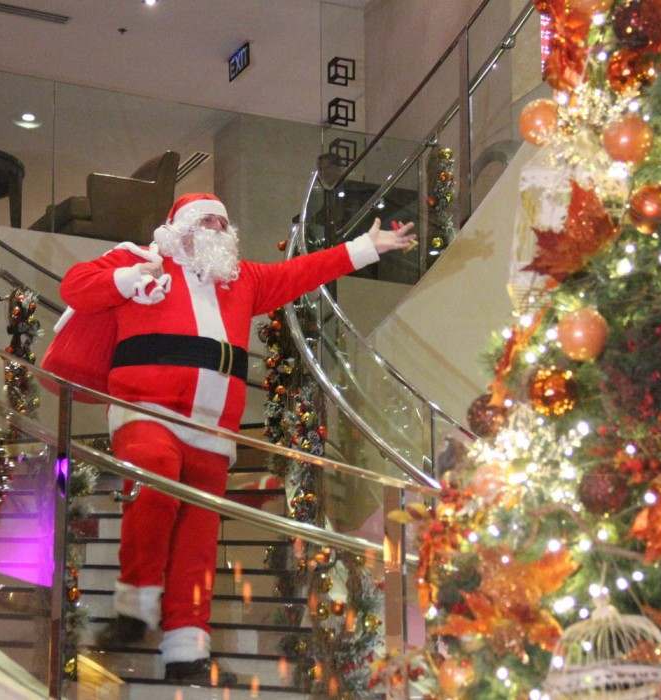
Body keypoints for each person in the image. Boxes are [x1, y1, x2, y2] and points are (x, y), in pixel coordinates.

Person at [59, 193, 415, 685]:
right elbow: (75, 286)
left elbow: (300, 272)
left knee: (198, 541)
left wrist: (367, 247)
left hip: (212, 431)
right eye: (203, 220)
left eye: (221, 222)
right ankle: (136, 602)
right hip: (147, 412)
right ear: (177, 227)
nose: (214, 229)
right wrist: (128, 279)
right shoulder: (140, 260)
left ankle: (186, 647)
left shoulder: (242, 279)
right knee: (155, 477)